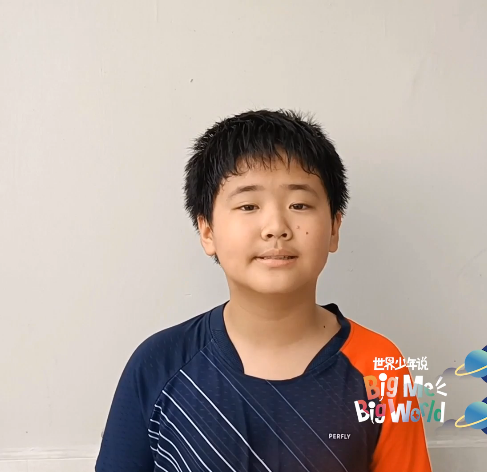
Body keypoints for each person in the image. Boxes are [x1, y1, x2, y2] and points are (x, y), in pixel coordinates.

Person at [96, 109, 433, 472]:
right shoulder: (158, 364)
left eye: (299, 205)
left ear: (335, 227)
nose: (276, 227)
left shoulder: (380, 370)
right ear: (207, 231)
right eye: (248, 206)